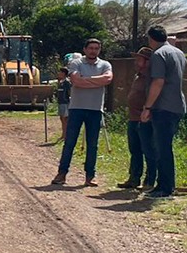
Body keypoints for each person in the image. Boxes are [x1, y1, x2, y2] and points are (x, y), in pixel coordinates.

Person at [51, 38, 112, 187]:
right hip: (76, 108)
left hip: (95, 109)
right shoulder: (76, 63)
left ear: (99, 50)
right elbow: (76, 81)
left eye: (96, 48)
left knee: (93, 145)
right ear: (85, 49)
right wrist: (96, 82)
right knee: (69, 142)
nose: (93, 51)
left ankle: (90, 176)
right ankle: (62, 173)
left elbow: (108, 79)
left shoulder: (105, 64)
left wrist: (85, 80)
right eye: (91, 48)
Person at [140, 25, 187, 198]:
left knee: (162, 148)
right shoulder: (179, 53)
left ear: (151, 39)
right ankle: (165, 185)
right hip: (177, 105)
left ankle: (165, 188)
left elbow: (158, 82)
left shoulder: (158, 54)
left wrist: (147, 107)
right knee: (164, 146)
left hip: (163, 107)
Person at [117, 47, 158, 190]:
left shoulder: (151, 79)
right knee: (134, 150)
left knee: (148, 150)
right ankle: (134, 178)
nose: (136, 62)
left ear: (147, 62)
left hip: (145, 119)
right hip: (133, 118)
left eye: (139, 60)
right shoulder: (138, 77)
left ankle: (150, 180)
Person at [54, 67, 71, 139]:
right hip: (60, 102)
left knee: (65, 119)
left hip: (65, 103)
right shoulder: (60, 82)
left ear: (63, 73)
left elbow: (70, 92)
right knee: (61, 118)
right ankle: (63, 134)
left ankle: (66, 135)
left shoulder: (67, 82)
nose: (58, 73)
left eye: (60, 72)